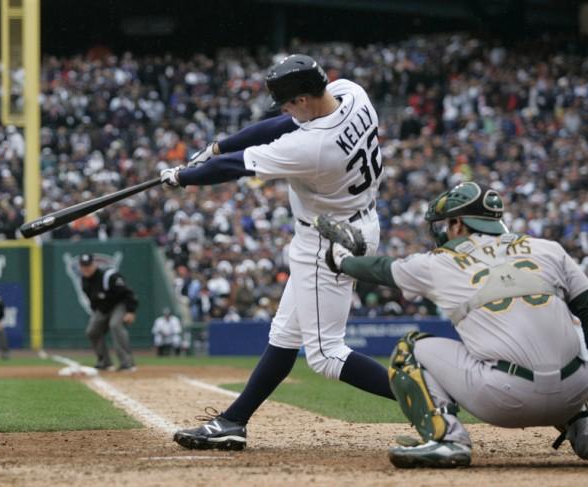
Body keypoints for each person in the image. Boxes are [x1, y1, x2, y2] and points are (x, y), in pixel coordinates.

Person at [161, 54, 393, 451]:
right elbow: (282, 123)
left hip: (328, 240)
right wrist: (218, 145)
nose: (286, 110)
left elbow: (236, 168)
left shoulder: (313, 147)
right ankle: (233, 421)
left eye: (288, 101)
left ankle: (426, 395)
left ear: (303, 98)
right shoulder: (351, 93)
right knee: (285, 336)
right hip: (355, 223)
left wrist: (184, 175)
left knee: (326, 354)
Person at [315, 181, 588, 468]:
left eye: (445, 224)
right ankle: (582, 427)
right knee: (565, 336)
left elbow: (383, 269)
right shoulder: (548, 249)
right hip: (573, 393)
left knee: (409, 348)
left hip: (505, 400)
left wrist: (342, 260)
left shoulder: (442, 261)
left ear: (458, 223)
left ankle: (446, 438)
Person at [79, 253, 138, 372]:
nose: (86, 269)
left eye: (88, 265)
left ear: (94, 264)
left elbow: (128, 293)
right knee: (92, 331)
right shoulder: (84, 280)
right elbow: (93, 300)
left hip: (119, 304)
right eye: (83, 266)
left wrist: (131, 311)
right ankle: (105, 362)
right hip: (103, 308)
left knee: (115, 325)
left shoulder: (108, 276)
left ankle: (127, 362)